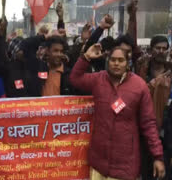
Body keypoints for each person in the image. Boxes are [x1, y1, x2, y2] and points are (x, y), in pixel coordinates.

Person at [70, 44, 165, 180]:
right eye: (113, 60)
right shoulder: (98, 79)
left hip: (125, 164)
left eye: (121, 60)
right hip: (99, 163)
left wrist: (158, 156)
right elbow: (75, 79)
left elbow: (148, 124)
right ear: (108, 62)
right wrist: (85, 57)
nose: (116, 63)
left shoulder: (139, 86)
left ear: (128, 63)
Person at [135, 35, 171, 180]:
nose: (161, 51)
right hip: (145, 131)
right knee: (147, 171)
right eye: (158, 48)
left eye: (164, 48)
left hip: (167, 132)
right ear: (151, 50)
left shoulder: (170, 72)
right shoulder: (141, 70)